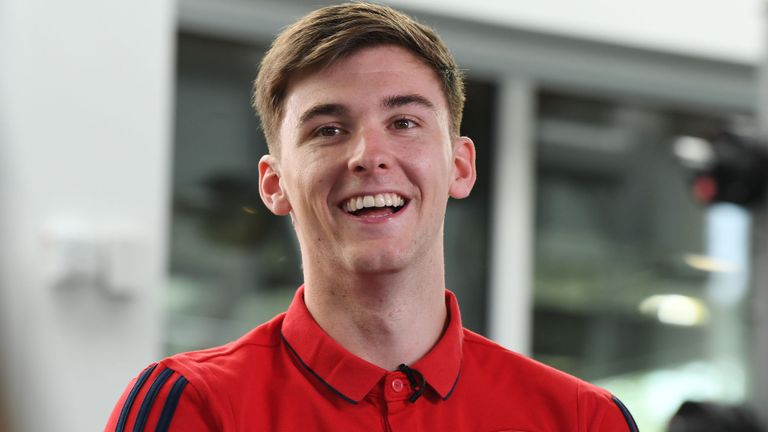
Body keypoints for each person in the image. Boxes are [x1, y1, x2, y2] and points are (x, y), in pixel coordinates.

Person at [105, 3, 639, 431]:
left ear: (460, 166)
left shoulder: (582, 420)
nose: (369, 155)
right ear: (274, 184)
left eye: (404, 122)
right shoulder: (194, 405)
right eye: (328, 130)